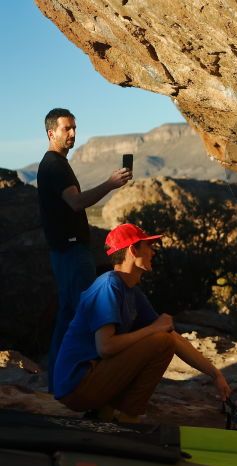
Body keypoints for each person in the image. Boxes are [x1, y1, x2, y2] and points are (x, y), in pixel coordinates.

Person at [52, 223, 232, 423]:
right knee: (161, 342)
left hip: (90, 381)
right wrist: (153, 329)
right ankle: (127, 419)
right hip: (77, 385)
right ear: (132, 250)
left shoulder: (131, 291)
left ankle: (105, 414)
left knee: (164, 340)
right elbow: (106, 347)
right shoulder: (109, 285)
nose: (153, 252)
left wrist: (214, 374)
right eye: (148, 246)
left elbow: (174, 338)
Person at [37, 108, 132, 392]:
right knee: (88, 317)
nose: (73, 134)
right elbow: (77, 203)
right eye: (67, 129)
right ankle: (83, 382)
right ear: (51, 132)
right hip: (71, 252)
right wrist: (110, 184)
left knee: (68, 317)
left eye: (75, 128)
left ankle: (57, 381)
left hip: (67, 251)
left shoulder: (56, 164)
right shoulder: (54, 165)